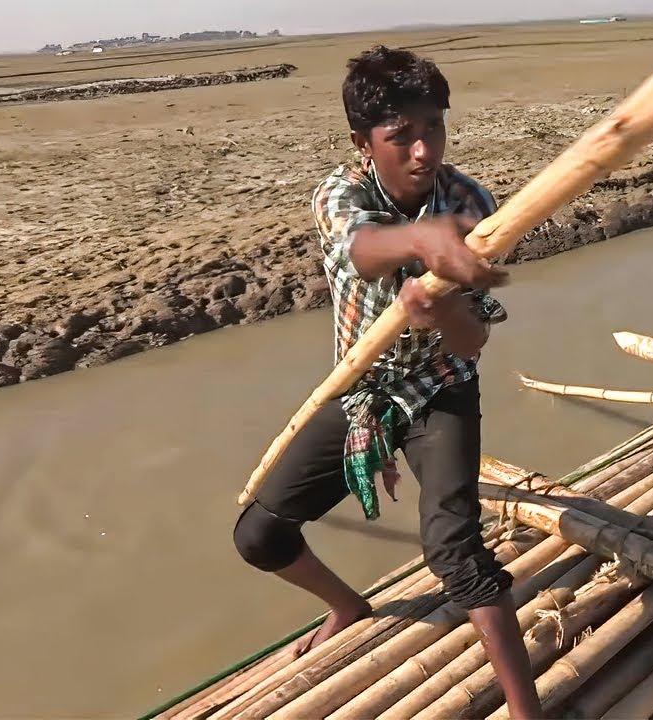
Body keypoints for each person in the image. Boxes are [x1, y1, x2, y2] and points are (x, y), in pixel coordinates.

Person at [231, 46, 543, 717]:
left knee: (453, 551)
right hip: (364, 391)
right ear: (364, 144)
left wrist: (446, 310)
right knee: (258, 535)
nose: (423, 151)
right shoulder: (339, 193)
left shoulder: (474, 204)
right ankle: (347, 605)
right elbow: (363, 249)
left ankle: (526, 711)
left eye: (433, 127)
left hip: (441, 388)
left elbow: (474, 340)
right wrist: (422, 243)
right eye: (400, 137)